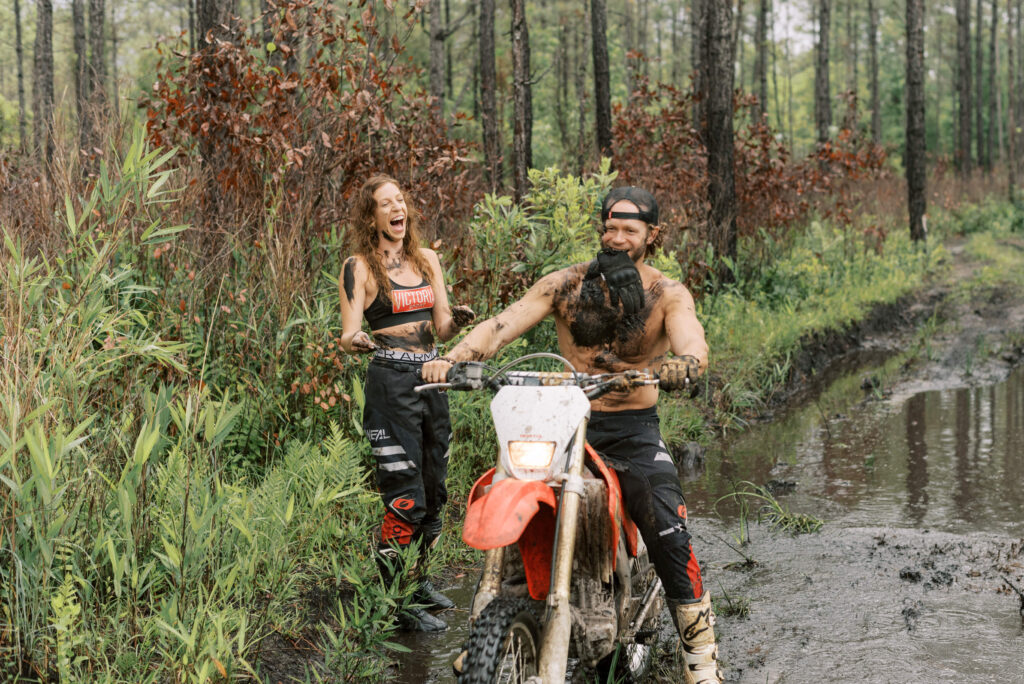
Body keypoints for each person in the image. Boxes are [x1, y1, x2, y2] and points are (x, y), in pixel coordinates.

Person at [423, 186, 723, 683]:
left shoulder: (666, 292)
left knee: (665, 520)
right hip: (561, 421)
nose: (618, 237)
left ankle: (701, 657)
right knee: (511, 489)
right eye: (611, 227)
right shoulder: (565, 284)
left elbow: (691, 335)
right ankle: (488, 630)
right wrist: (452, 359)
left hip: (630, 430)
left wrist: (685, 363)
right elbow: (501, 325)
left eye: (631, 229)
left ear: (653, 235)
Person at [340, 174, 475, 632]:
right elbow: (348, 331)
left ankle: (418, 584)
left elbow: (441, 329)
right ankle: (392, 602)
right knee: (405, 495)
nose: (396, 209)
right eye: (385, 203)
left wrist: (458, 321)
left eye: (400, 201)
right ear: (371, 216)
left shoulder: (428, 260)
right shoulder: (359, 266)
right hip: (390, 384)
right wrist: (355, 340)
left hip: (433, 377)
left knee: (435, 491)